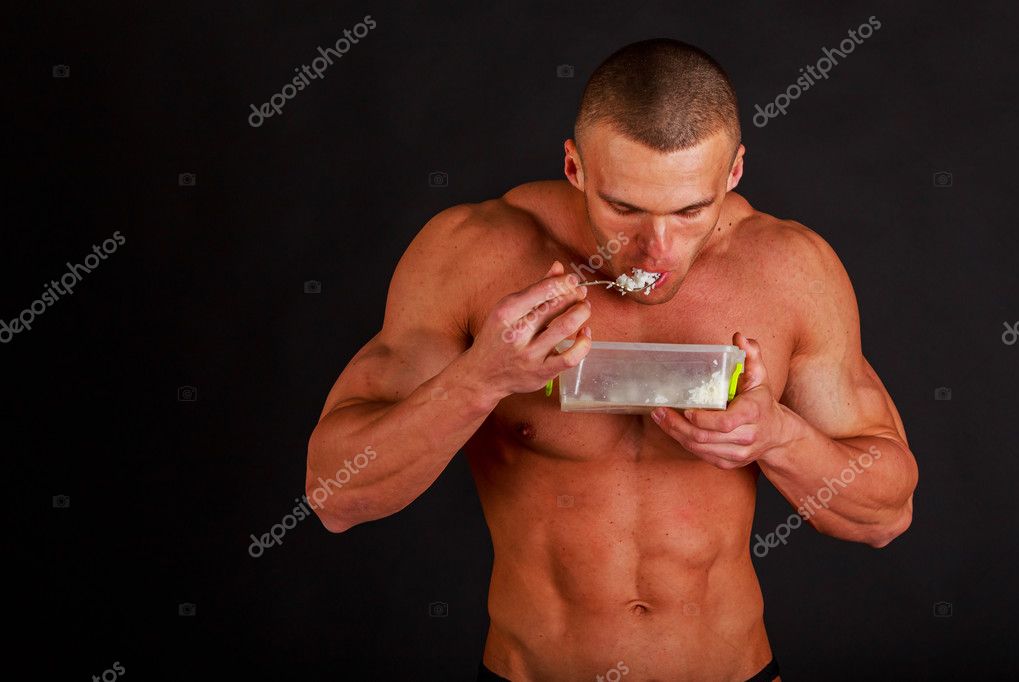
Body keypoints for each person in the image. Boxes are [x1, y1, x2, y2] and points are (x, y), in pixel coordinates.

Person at [306, 38, 918, 681]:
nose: (656, 250)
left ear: (733, 172)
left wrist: (779, 436)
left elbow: (885, 513)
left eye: (690, 211)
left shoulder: (790, 270)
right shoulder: (471, 254)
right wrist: (480, 380)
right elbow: (335, 496)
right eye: (625, 208)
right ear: (576, 168)